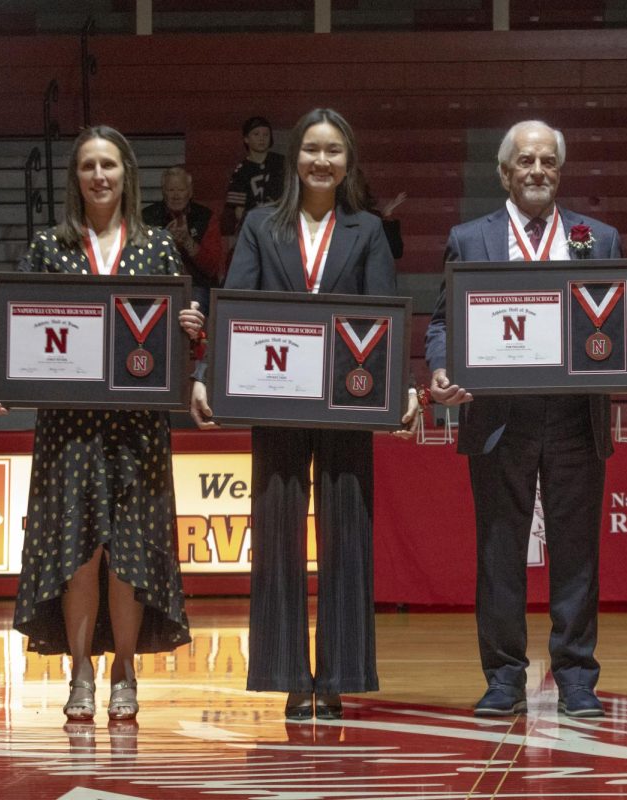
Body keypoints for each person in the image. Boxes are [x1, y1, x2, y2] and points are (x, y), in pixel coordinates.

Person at [425, 120, 627, 719]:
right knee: (500, 551)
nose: (536, 171)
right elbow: (442, 324)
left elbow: (617, 320)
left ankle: (576, 676)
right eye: (525, 161)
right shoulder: (469, 238)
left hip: (575, 416)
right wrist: (443, 370)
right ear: (505, 172)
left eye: (548, 162)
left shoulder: (596, 237)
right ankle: (504, 677)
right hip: (497, 416)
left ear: (560, 170)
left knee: (577, 551)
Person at [190, 108, 417, 721]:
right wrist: (207, 377)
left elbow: (384, 318)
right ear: (295, 158)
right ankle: (288, 673)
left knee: (347, 532)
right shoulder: (263, 226)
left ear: (349, 163)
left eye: (334, 151)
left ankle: (339, 673)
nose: (322, 160)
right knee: (278, 534)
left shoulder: (367, 229)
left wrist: (403, 387)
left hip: (346, 402)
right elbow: (233, 306)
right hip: (278, 400)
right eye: (312, 149)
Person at [0, 126, 204, 721]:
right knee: (79, 552)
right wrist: (0, 377)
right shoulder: (49, 247)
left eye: (109, 164)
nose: (99, 175)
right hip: (69, 427)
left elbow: (181, 335)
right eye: (88, 166)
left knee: (128, 554)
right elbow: (17, 325)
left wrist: (190, 330)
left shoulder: (157, 246)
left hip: (137, 428)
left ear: (126, 173)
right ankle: (80, 672)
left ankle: (125, 670)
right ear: (75, 178)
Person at [143, 165, 224, 311]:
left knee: (193, 301)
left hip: (197, 286)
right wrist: (163, 242)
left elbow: (212, 268)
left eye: (181, 190)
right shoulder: (147, 217)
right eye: (171, 190)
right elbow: (139, 263)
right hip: (158, 285)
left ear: (190, 192)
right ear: (163, 192)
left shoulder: (205, 217)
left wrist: (187, 241)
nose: (176, 195)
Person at [223, 115, 285, 248]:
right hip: (255, 229)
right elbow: (238, 211)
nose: (262, 138)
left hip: (281, 225)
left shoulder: (282, 163)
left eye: (266, 134)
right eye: (256, 134)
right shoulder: (241, 171)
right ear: (246, 139)